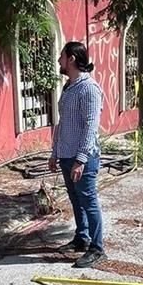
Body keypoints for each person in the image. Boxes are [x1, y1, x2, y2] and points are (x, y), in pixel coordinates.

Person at [48, 41, 106, 269]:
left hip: (83, 157)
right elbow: (63, 123)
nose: (59, 60)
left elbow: (91, 126)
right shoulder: (69, 87)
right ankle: (82, 237)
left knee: (88, 201)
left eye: (62, 56)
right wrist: (55, 153)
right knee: (75, 199)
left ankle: (97, 248)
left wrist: (81, 159)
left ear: (71, 58)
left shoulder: (89, 88)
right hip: (66, 154)